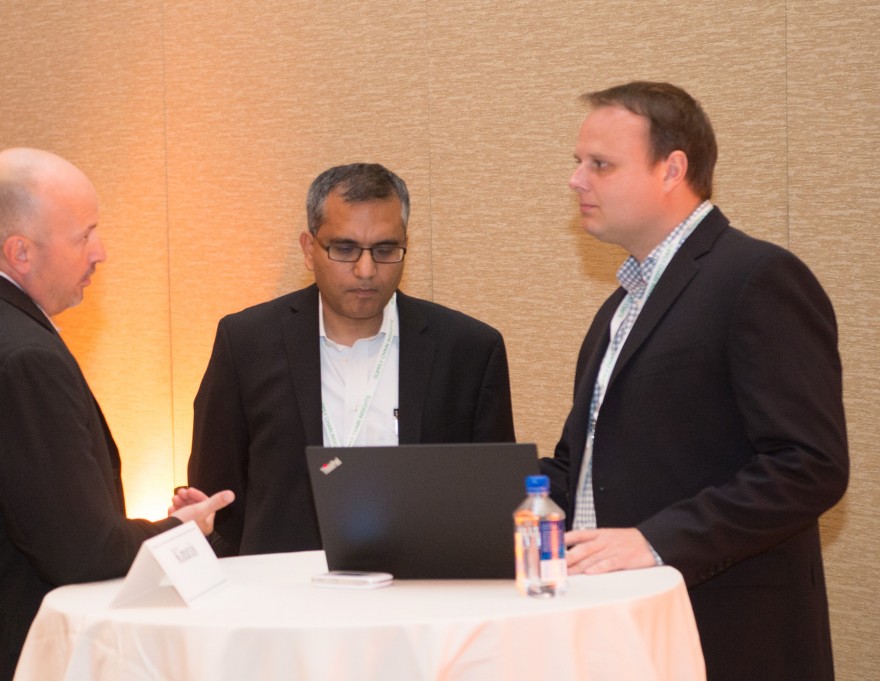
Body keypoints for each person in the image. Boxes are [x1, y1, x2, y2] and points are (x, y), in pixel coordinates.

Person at [0, 148, 234, 681]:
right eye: (84, 235)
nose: (101, 252)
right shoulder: (22, 358)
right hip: (10, 656)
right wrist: (182, 531)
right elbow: (84, 553)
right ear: (20, 252)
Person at [541, 81, 849, 681]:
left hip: (727, 635)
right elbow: (584, 467)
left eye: (600, 164)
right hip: (618, 633)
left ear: (672, 169)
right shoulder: (619, 307)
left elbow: (809, 466)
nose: (576, 180)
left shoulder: (757, 278)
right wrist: (468, 497)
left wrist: (655, 541)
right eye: (578, 162)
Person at [188, 162, 516, 556]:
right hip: (284, 584)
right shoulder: (246, 343)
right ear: (309, 250)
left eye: (385, 250)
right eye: (344, 249)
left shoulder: (468, 351)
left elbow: (491, 501)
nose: (366, 270)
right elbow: (216, 499)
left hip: (423, 582)